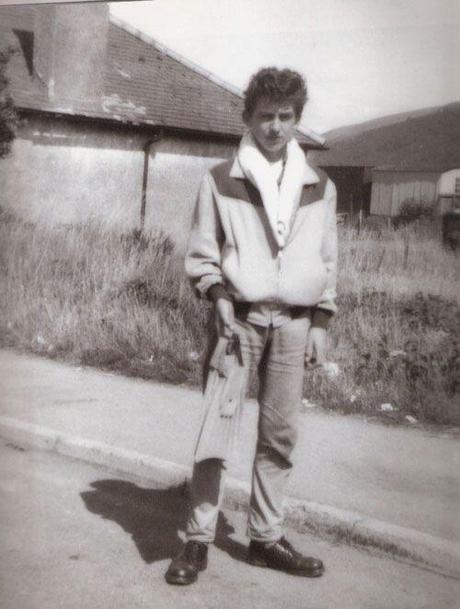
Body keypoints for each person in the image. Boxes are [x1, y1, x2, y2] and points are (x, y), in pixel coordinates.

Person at [165, 67, 338, 585]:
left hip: (295, 322)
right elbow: (202, 252)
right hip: (237, 320)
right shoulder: (220, 179)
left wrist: (320, 321)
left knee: (280, 434)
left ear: (297, 120)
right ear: (248, 118)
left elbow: (326, 259)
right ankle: (197, 541)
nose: (275, 127)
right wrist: (216, 294)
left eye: (286, 117)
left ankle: (266, 537)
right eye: (265, 116)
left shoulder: (319, 184)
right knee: (215, 433)